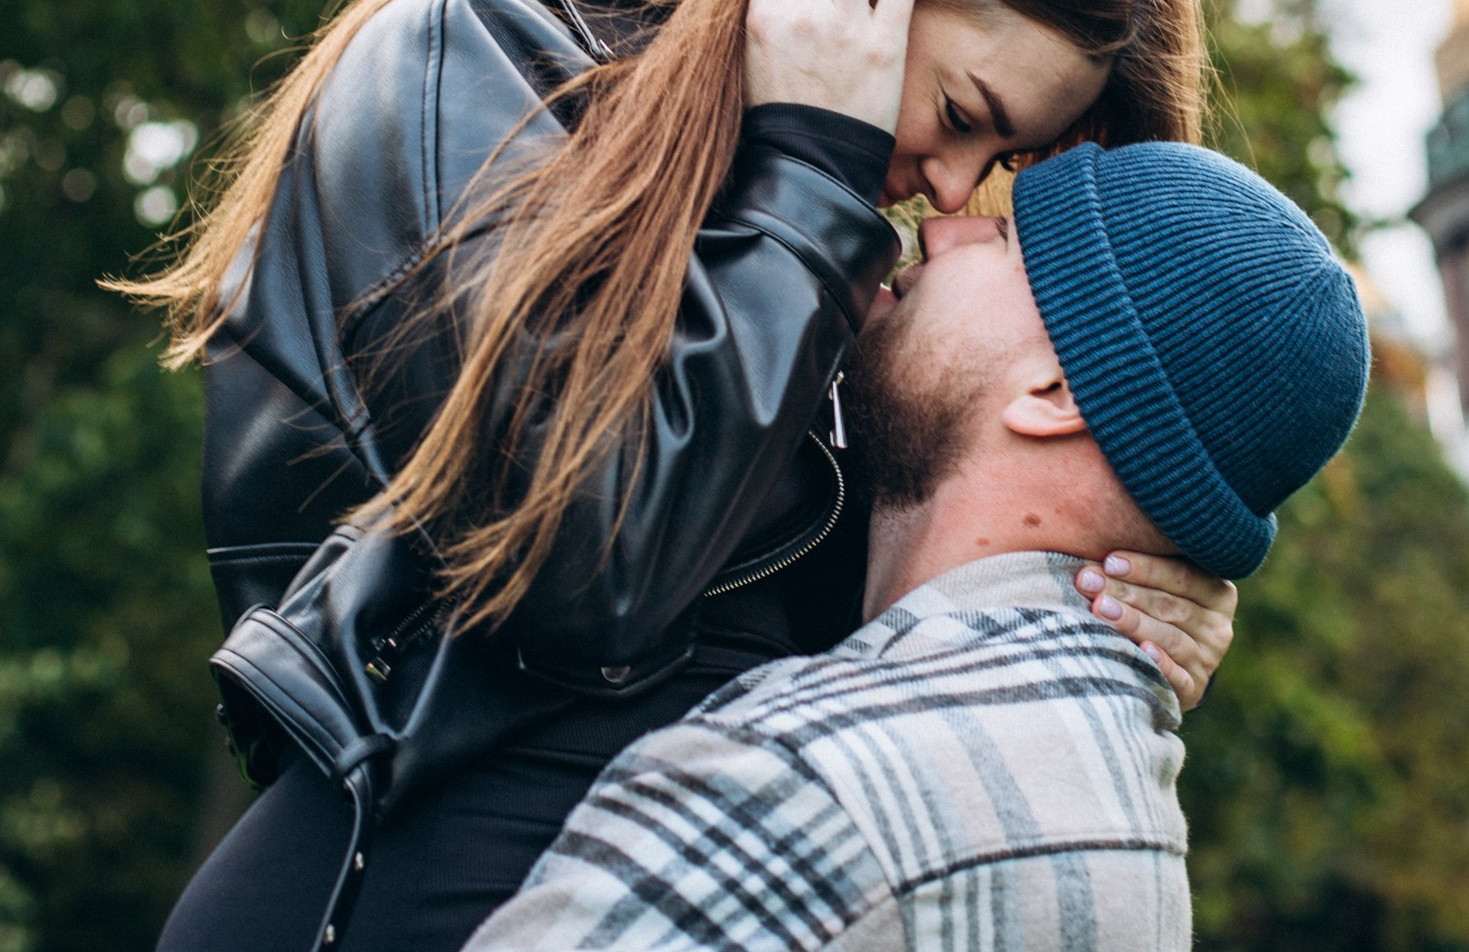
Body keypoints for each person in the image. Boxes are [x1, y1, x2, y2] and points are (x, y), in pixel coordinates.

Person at [138, 0, 1246, 952]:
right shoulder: (476, 65)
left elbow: (906, 574)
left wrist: (1114, 593)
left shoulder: (822, 249)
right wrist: (813, 166)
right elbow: (584, 565)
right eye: (966, 115)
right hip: (405, 888)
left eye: (1002, 160)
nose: (955, 190)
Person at [464, 139, 1370, 952]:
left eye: (1009, 243)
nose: (941, 233)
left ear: (1055, 392)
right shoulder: (1112, 786)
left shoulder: (820, 781)